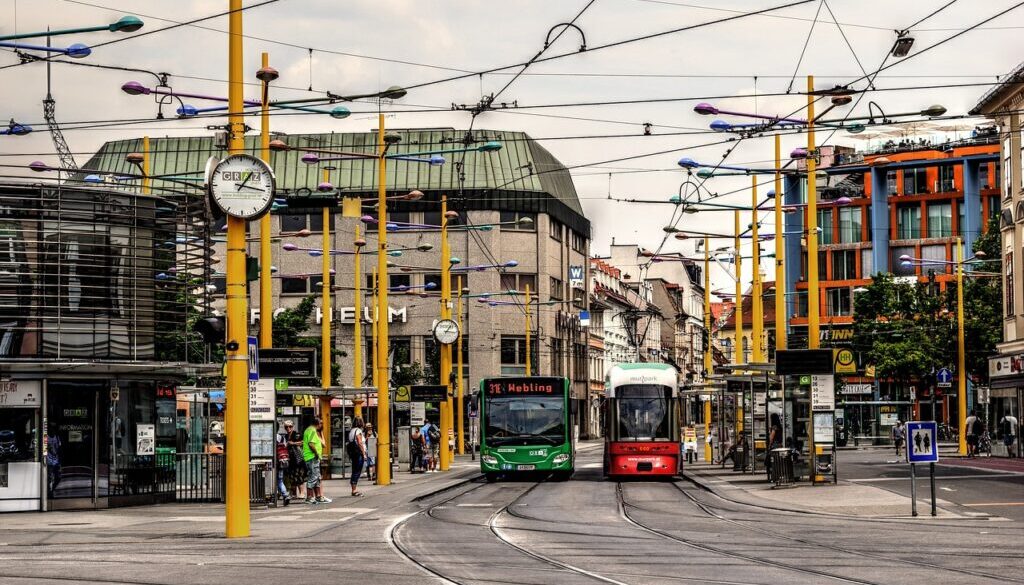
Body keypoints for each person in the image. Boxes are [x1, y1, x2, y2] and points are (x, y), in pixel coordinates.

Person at [302, 418, 331, 504]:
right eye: (321, 423)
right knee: (313, 477)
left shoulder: (309, 430)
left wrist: (321, 433)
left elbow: (323, 444)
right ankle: (309, 497)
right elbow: (311, 444)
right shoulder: (312, 431)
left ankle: (318, 496)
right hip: (311, 457)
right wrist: (317, 453)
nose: (322, 425)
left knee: (317, 477)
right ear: (318, 424)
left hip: (312, 457)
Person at [347, 417, 366, 496]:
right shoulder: (358, 431)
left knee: (355, 470)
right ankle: (354, 490)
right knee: (357, 471)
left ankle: (353, 489)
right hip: (358, 453)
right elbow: (360, 442)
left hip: (353, 453)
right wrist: (364, 453)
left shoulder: (352, 431)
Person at [275, 424, 291, 506]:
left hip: (273, 462)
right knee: (280, 480)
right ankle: (285, 495)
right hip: (281, 461)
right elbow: (285, 447)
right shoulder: (281, 437)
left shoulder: (269, 437)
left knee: (273, 480)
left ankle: (277, 494)